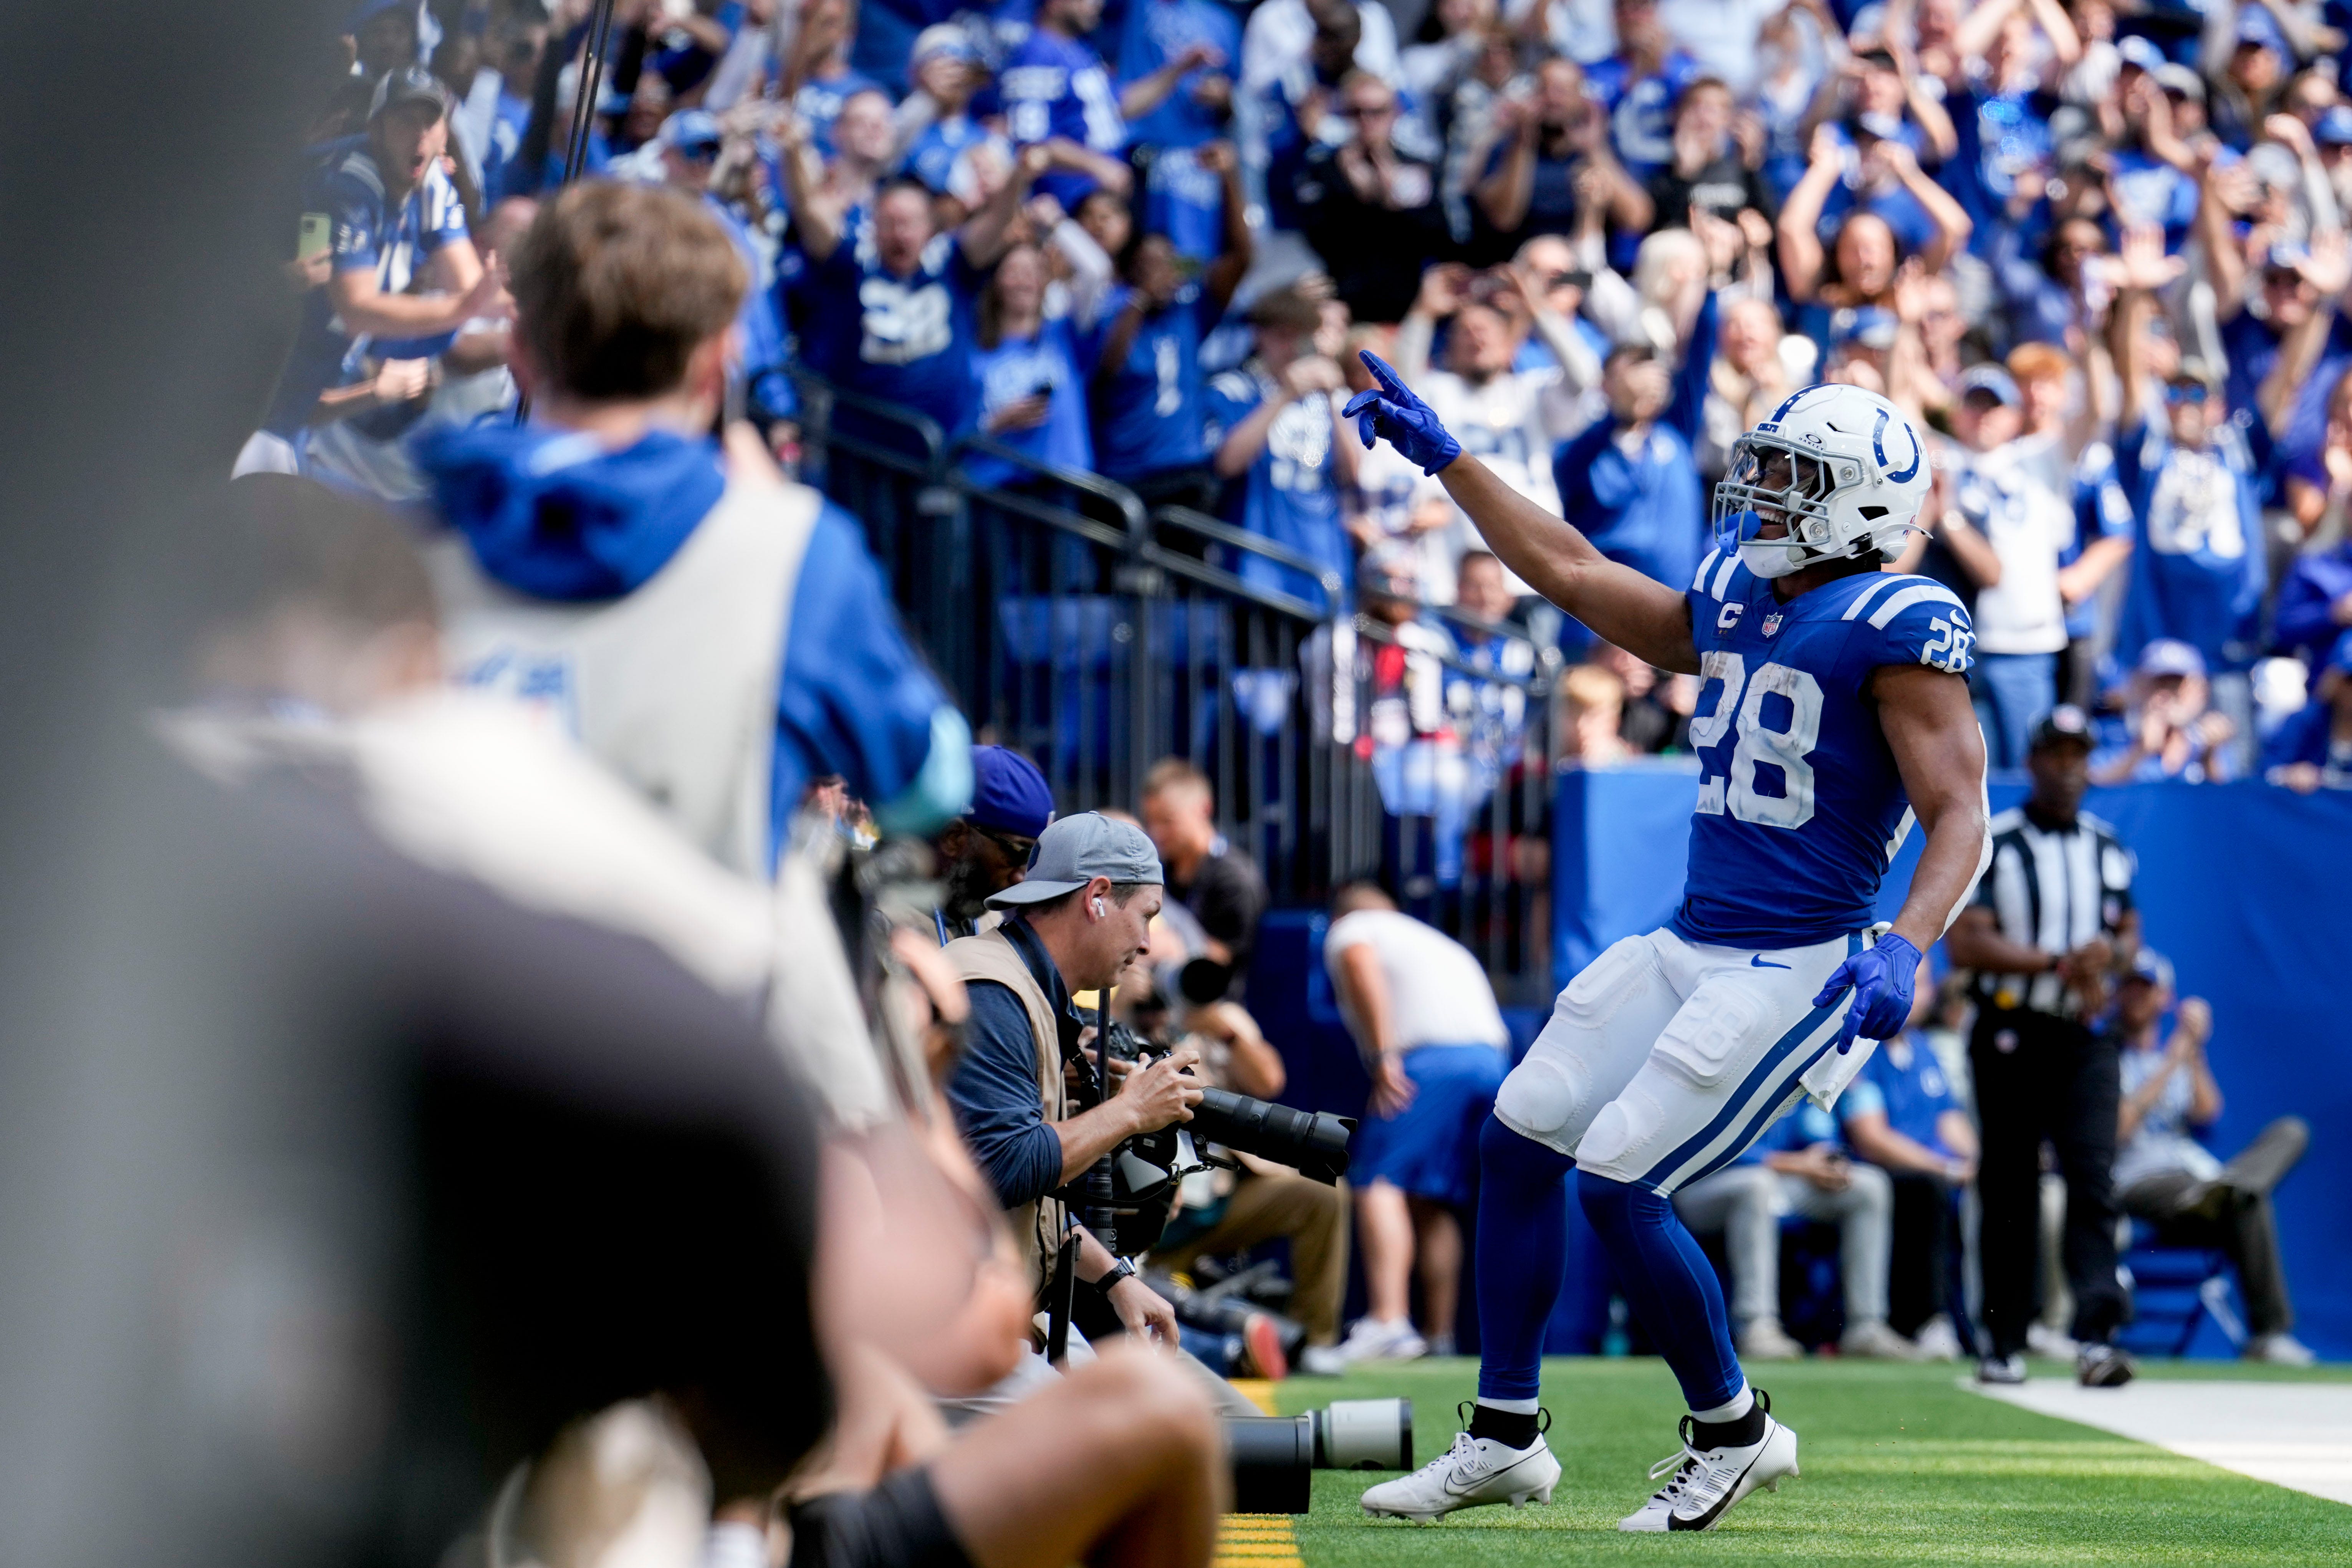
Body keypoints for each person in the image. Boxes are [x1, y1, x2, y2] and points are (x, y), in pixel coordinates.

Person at [1344, 366, 1991, 1531]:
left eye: (1796, 478)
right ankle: (1502, 1435)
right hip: (1693, 936)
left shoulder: (1898, 622)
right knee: (1520, 1133)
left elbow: (1960, 814)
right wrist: (1448, 463)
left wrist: (1903, 942)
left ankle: (1735, 1430)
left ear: (1862, 501)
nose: (1764, 493)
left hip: (1797, 958)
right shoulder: (1740, 596)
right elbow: (1576, 571)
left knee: (1621, 1181)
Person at [415, 181, 972, 879]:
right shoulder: (795, 553)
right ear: (716, 367)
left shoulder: (396, 546)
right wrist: (777, 512)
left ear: (520, 351)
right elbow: (932, 783)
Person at [939, 813, 1199, 1348]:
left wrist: (1114, 1276)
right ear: (1097, 895)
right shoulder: (992, 990)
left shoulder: (1024, 983)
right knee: (1162, 1420)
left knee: (1181, 1404)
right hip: (946, 1334)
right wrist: (1130, 1110)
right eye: (1146, 916)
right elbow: (1002, 1166)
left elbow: (1031, 1211)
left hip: (993, 1314)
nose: (1148, 943)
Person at [1943, 704, 2141, 1387]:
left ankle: (2095, 1332)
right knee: (2009, 1183)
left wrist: (2104, 955)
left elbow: (2129, 934)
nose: (2069, 766)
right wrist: (2059, 963)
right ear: (2031, 762)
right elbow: (1967, 939)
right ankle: (2003, 1334)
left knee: (2092, 1178)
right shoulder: (1999, 840)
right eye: (2056, 753)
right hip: (2010, 1030)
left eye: (2079, 753)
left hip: (2084, 1035)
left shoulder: (2108, 847)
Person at [245, 67, 509, 477]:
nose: (419, 134)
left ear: (445, 135)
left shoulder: (433, 180)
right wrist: (468, 306)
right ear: (376, 129)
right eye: (405, 119)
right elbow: (357, 309)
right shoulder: (348, 186)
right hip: (248, 405)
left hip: (297, 414)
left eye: (431, 121)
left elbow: (475, 290)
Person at [1322, 883, 1513, 1362]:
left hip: (1431, 1061)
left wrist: (1384, 1054)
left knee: (1377, 1182)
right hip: (1492, 1062)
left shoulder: (1353, 928)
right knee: (1430, 1199)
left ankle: (1388, 1322)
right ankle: (1439, 1336)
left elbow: (1359, 964)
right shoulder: (1432, 940)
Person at [2107, 949, 2316, 1366]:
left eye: (2144, 989)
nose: (2134, 996)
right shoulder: (2103, 1055)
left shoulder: (2181, 1056)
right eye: (2127, 987)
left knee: (2288, 1134)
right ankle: (2268, 1331)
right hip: (2141, 1184)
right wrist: (2170, 1061)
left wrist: (2194, 1050)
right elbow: (2118, 1128)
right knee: (2246, 1200)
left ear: (2163, 998)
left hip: (2195, 1178)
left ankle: (2226, 1191)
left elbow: (2207, 1114)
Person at [1670, 1094, 1917, 1362]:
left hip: (1784, 1179)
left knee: (1869, 1186)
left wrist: (1827, 1161)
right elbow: (1717, 1146)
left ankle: (1865, 1327)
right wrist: (1798, 1164)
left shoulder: (1795, 1068)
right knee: (1757, 1185)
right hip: (1702, 1184)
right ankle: (1756, 1326)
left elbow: (1817, 1130)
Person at [1088, 142, 1253, 510]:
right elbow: (1108, 367)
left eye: (1168, 265)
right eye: (1149, 266)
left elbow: (1242, 259)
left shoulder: (1190, 312)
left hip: (1183, 467)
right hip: (1124, 473)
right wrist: (1140, 300)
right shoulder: (1110, 315)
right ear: (1131, 273)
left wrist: (1229, 177)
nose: (1161, 274)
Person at [1838, 951, 1978, 1361]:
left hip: (1932, 1172)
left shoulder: (1925, 1049)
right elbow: (1871, 1138)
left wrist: (1979, 1164)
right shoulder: (1858, 1045)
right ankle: (1926, 1321)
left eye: (1927, 984)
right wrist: (1946, 1168)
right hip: (1881, 1172)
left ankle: (2012, 1323)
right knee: (1928, 1188)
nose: (1921, 995)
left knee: (2000, 1188)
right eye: (1912, 983)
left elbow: (1949, 1122)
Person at [1943, 364, 2074, 770]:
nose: (1982, 415)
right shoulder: (1939, 461)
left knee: (2026, 770)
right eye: (1973, 404)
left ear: (2015, 415)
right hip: (1958, 650)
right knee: (1969, 773)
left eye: (1993, 406)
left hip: (2024, 646)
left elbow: (2098, 415)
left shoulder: (2040, 459)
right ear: (1954, 413)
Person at [1204, 285, 1361, 608]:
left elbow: (1353, 472)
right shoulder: (1235, 390)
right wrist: (1283, 395)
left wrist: (1332, 398)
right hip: (1258, 567)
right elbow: (1227, 463)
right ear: (1259, 336)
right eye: (1282, 336)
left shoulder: (1332, 399)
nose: (1291, 348)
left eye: (1300, 337)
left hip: (1323, 563)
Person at [1139, 758, 1269, 994]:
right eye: (1151, 822)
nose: (1157, 832)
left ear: (1205, 809)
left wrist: (1168, 946)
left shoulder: (1236, 879)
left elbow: (1217, 961)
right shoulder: (1158, 867)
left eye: (1168, 821)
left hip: (1211, 1009)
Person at [934, 744, 1056, 942]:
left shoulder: (994, 921)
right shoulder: (883, 923)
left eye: (1035, 858)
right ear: (954, 838)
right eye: (1016, 854)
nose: (1021, 877)